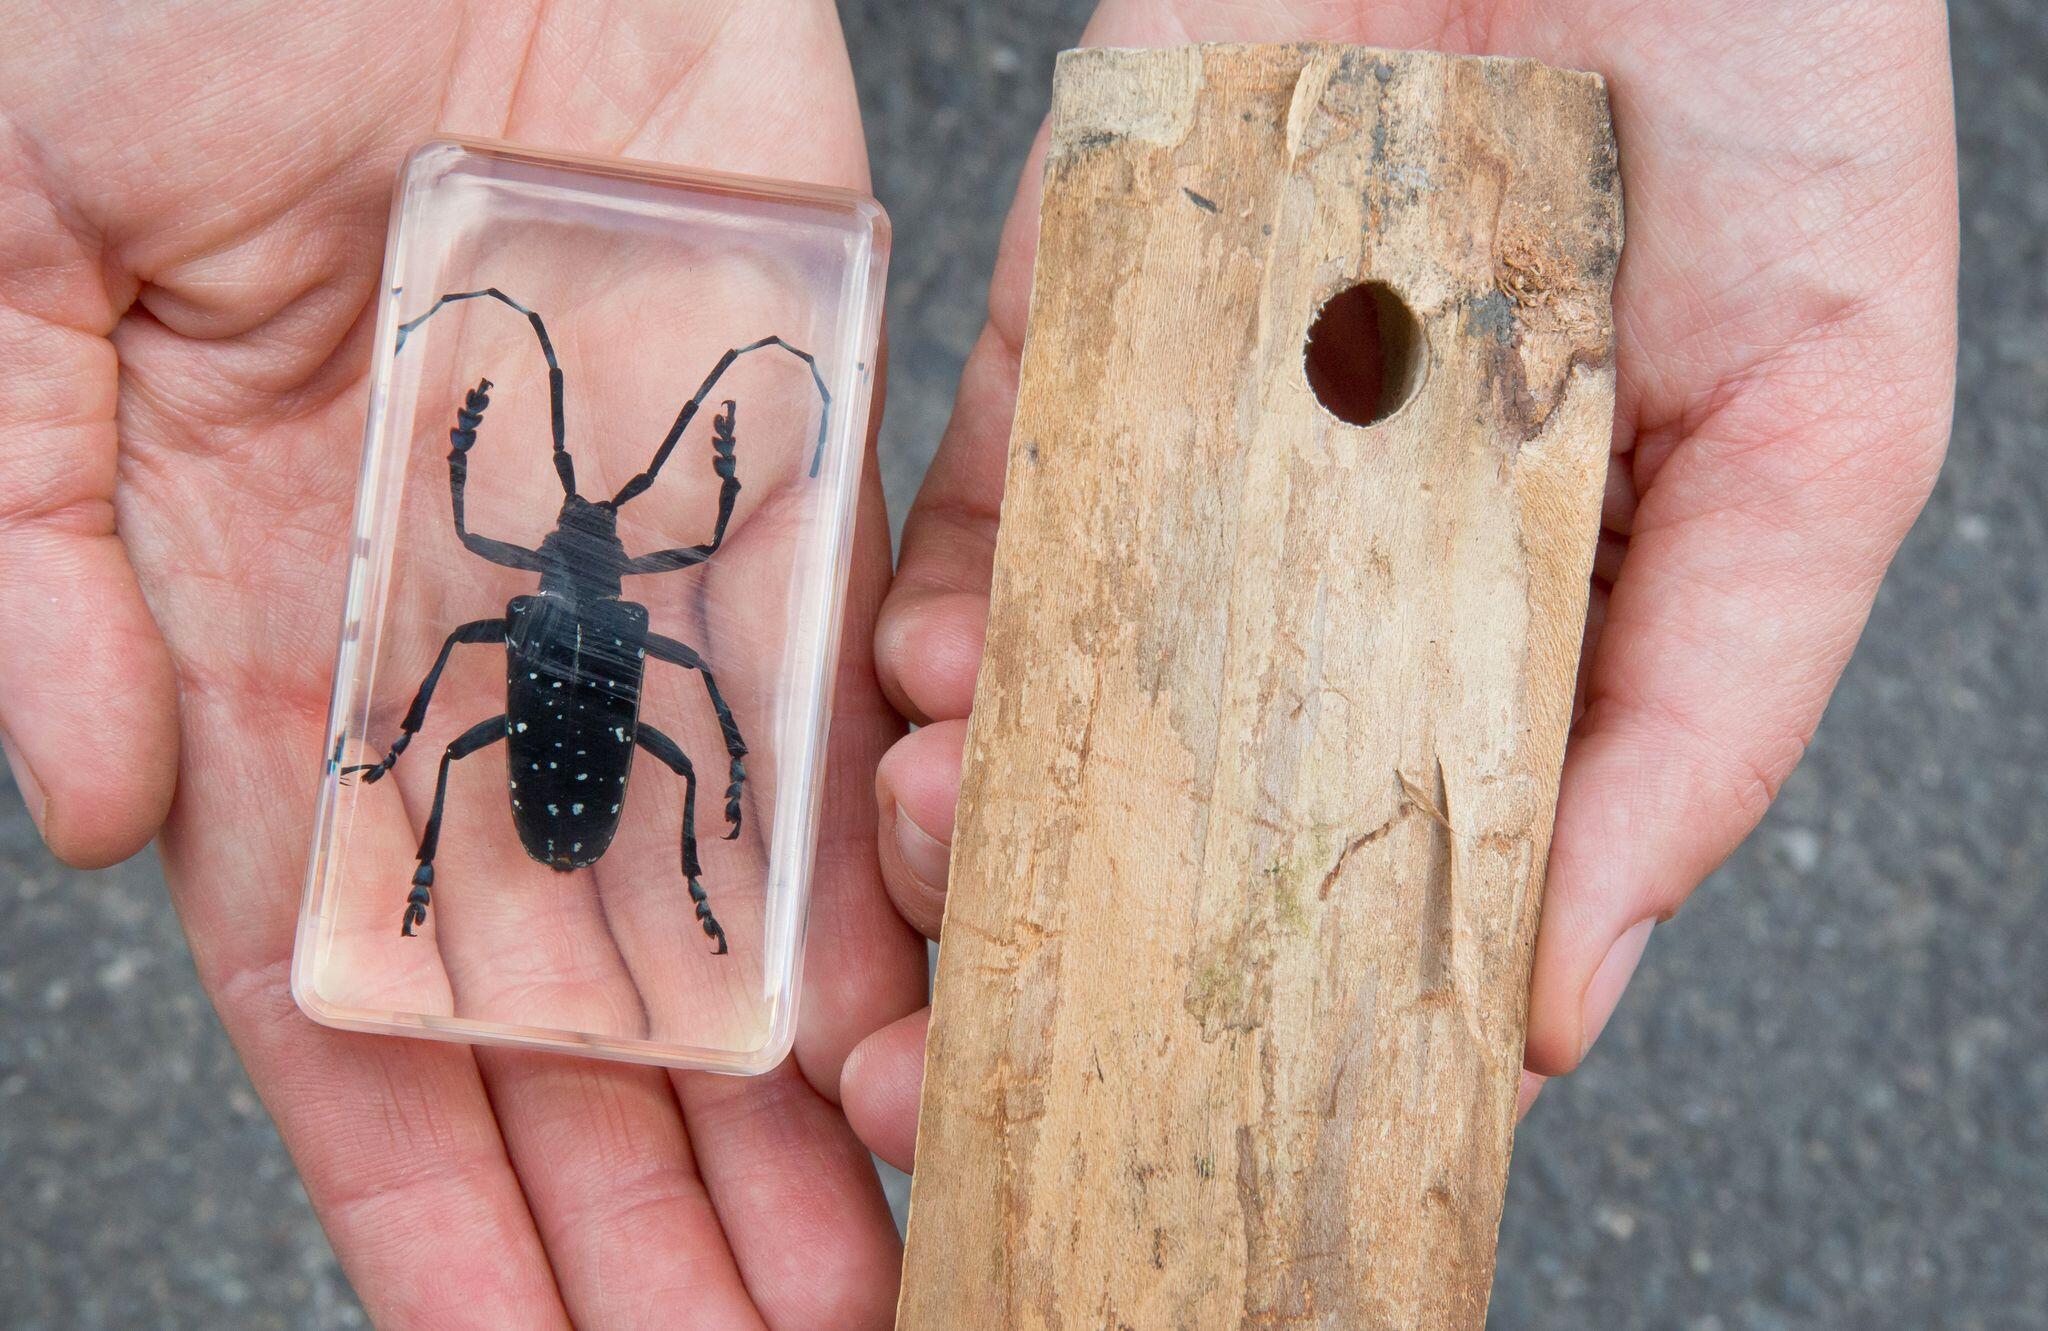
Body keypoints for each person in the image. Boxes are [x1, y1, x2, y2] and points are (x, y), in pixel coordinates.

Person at [0, 0, 1956, 1326]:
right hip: (583, 761)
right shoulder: (631, 600)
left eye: (580, 524)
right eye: (578, 519)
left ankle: (508, 866)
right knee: (580, 757)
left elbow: (508, 647)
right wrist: (681, 757)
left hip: (550, 753)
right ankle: (591, 874)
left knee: (492, 749)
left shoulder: (536, 599)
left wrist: (548, 674)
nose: (590, 529)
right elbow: (656, 642)